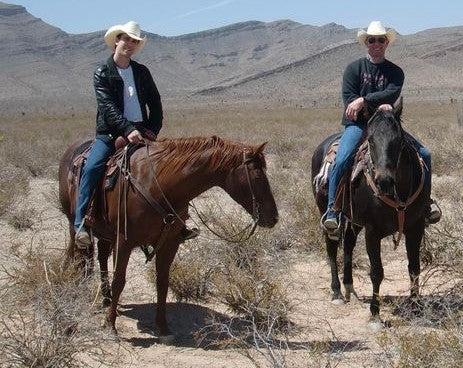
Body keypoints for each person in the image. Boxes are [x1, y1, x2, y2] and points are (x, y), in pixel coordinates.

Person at [74, 21, 198, 248]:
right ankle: (82, 223)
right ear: (117, 41)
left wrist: (152, 129)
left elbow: (155, 103)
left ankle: (178, 224)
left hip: (142, 131)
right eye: (126, 39)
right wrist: (127, 130)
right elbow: (107, 107)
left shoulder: (141, 72)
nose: (130, 44)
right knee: (92, 168)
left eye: (135, 41)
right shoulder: (102, 73)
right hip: (110, 134)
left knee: (170, 169)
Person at [323, 21, 441, 232]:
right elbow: (349, 99)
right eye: (372, 40)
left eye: (380, 40)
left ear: (386, 43)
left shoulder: (395, 72)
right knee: (341, 159)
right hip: (358, 124)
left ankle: (426, 203)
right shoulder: (353, 69)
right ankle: (333, 210)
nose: (376, 43)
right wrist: (363, 103)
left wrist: (363, 101)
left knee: (426, 154)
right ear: (366, 43)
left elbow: (391, 94)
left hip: (386, 126)